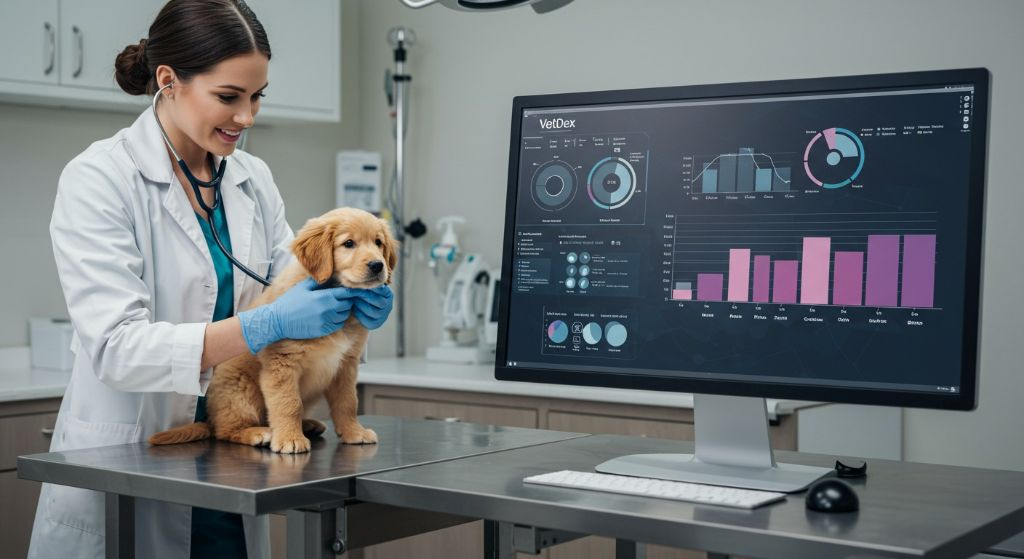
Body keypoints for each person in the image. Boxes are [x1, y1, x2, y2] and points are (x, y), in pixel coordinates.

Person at [27, 1, 392, 557]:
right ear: (169, 81)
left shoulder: (251, 177)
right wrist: (262, 324)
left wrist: (355, 295)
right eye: (228, 97)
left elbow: (294, 280)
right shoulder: (100, 178)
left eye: (257, 96)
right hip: (134, 460)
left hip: (236, 464)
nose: (246, 117)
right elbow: (116, 347)